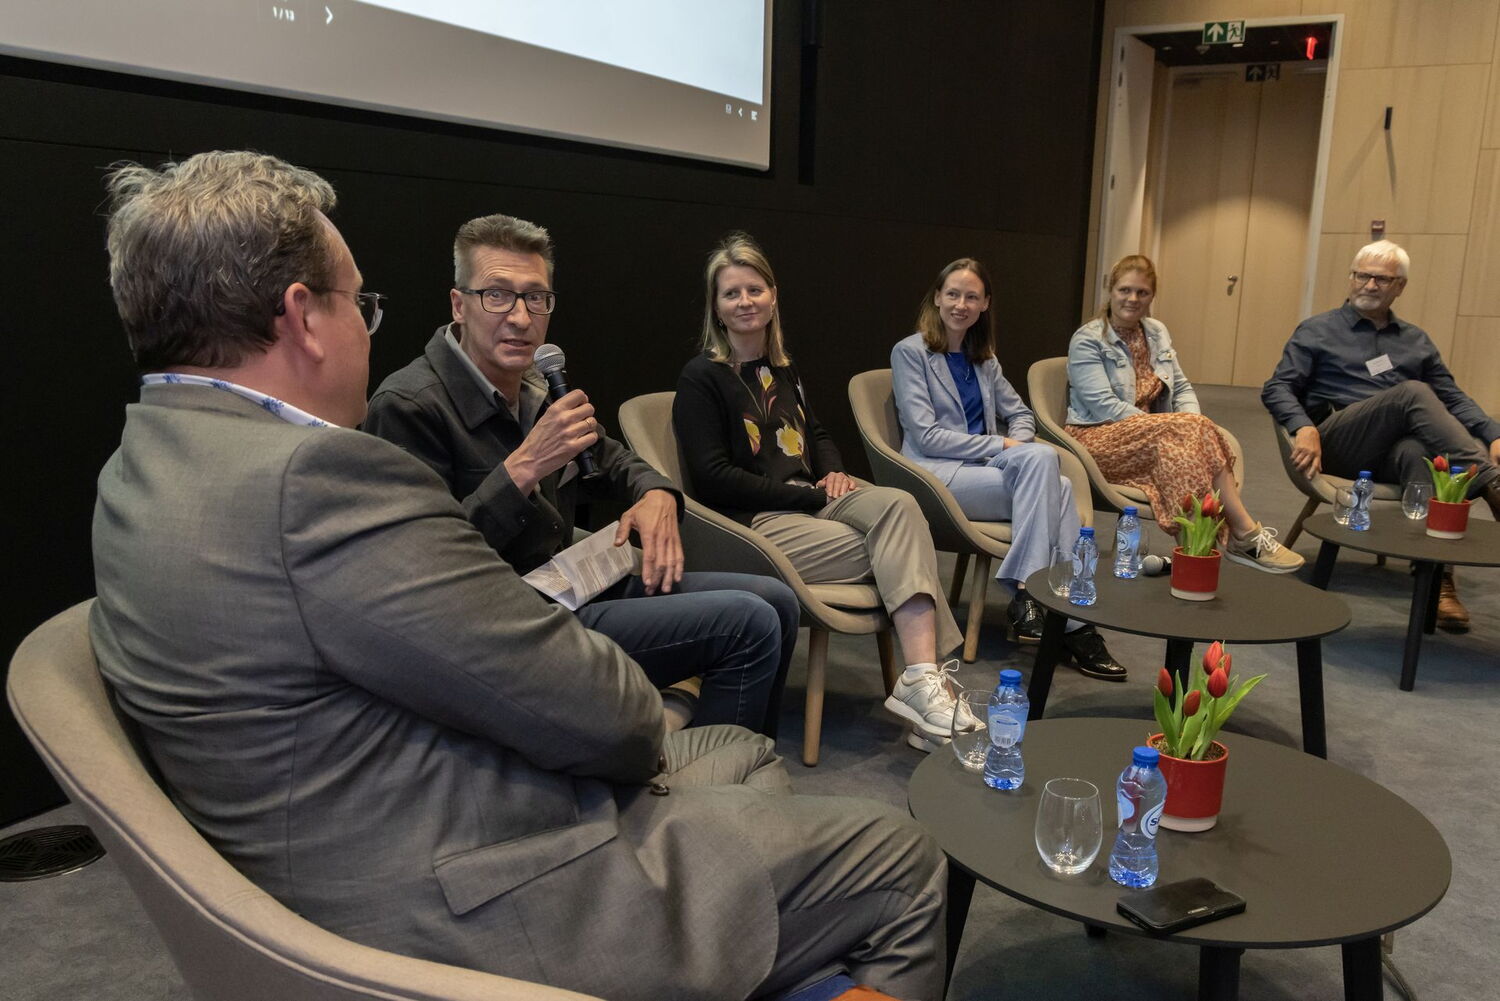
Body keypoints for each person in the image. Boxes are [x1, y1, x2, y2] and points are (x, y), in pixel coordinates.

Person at [89, 152, 946, 1001]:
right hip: (471, 890)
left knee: (746, 747)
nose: (521, 315)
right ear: (304, 317)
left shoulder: (140, 465)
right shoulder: (323, 475)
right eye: (363, 302)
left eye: (535, 297)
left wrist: (647, 503)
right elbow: (604, 712)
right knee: (905, 858)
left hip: (356, 839)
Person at [364, 213, 798, 736]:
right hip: (506, 622)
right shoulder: (409, 404)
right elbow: (418, 575)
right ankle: (717, 785)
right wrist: (523, 468)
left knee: (777, 598)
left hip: (568, 582)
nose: (521, 318)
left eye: (536, 298)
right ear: (459, 304)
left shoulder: (533, 385)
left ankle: (724, 758)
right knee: (747, 624)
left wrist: (657, 492)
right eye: (497, 295)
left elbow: (615, 458)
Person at [674, 232, 968, 752]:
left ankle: (921, 682)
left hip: (814, 499)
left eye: (754, 289)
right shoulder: (702, 378)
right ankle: (929, 691)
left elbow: (819, 436)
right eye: (731, 293)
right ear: (716, 308)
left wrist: (831, 474)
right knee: (894, 548)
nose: (745, 302)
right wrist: (812, 497)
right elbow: (713, 478)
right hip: (756, 522)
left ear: (773, 296)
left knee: (902, 505)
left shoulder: (782, 368)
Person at [890, 257, 1127, 681]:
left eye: (972, 297)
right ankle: (1070, 620)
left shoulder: (985, 358)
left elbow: (1021, 414)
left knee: (1046, 472)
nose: (961, 304)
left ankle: (1037, 601)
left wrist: (1015, 439)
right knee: (1053, 480)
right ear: (938, 298)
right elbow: (927, 437)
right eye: (953, 294)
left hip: (985, 471)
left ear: (985, 305)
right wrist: (1003, 444)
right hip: (936, 475)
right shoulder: (912, 353)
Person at [1263, 239, 1500, 630]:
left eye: (1382, 279)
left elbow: (1453, 398)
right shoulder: (1318, 330)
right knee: (1412, 393)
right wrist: (1303, 426)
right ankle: (1491, 485)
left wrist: (1492, 434)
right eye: (1362, 276)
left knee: (1416, 451)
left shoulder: (1415, 341)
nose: (1370, 285)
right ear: (1351, 278)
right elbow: (1277, 387)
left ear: (1400, 287)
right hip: (1338, 444)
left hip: (1391, 452)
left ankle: (1438, 580)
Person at [1066, 254, 1303, 574]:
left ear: (1152, 296)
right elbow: (1103, 405)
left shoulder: (1156, 332)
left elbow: (1181, 389)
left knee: (1189, 439)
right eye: (1124, 290)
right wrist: (1173, 426)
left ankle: (1194, 555)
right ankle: (1244, 534)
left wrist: (1191, 423)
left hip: (1151, 436)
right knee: (1183, 434)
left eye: (1142, 292)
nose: (1132, 299)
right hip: (1099, 436)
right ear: (1110, 290)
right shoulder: (1088, 339)